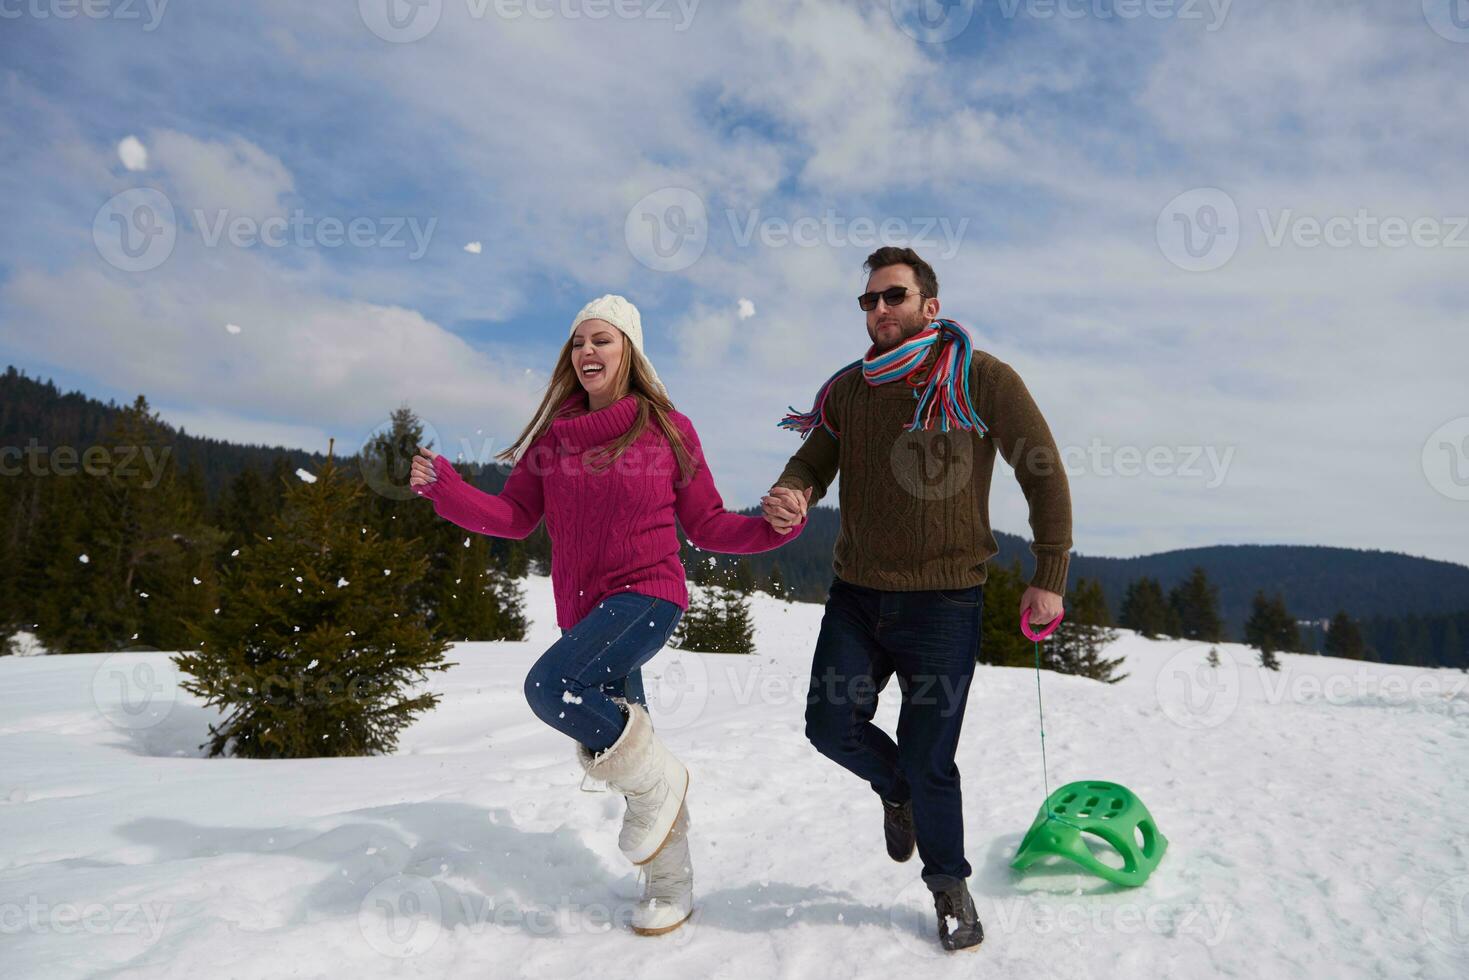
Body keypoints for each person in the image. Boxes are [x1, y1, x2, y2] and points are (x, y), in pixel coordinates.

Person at [410, 294, 811, 936]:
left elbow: (706, 525)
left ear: (630, 351)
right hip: (586, 614)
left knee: (552, 688)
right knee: (628, 745)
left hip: (649, 595)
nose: (588, 352)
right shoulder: (554, 440)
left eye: (603, 339)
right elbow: (514, 519)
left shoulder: (667, 429)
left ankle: (662, 782)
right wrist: (447, 490)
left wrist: (771, 529)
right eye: (578, 342)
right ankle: (670, 885)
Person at [762, 247, 1072, 952]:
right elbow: (813, 457)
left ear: (928, 305)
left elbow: (1042, 472)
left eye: (892, 296)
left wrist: (1048, 572)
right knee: (827, 725)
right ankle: (894, 791)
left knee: (931, 756)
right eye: (868, 301)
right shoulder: (849, 390)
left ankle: (947, 886)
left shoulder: (981, 378)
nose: (878, 310)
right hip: (857, 597)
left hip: (946, 603)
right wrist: (793, 489)